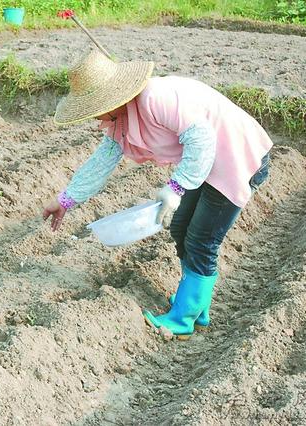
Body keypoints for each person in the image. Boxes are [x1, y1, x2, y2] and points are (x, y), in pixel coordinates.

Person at [42, 50, 272, 340]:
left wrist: (175, 189)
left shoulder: (155, 98)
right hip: (206, 164)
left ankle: (184, 318)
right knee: (180, 228)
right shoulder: (120, 120)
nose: (94, 116)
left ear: (111, 98)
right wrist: (65, 200)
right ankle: (197, 306)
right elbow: (102, 160)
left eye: (94, 107)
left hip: (237, 158)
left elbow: (202, 140)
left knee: (202, 239)